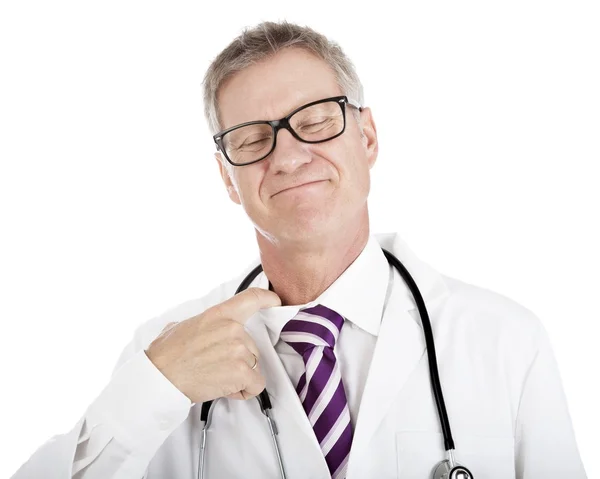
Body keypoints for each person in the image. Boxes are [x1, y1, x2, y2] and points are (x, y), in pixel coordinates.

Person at [12, 20, 587, 479]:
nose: (287, 157)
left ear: (367, 137)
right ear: (226, 179)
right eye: (254, 139)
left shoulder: (504, 341)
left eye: (315, 122)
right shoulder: (166, 353)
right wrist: (155, 388)